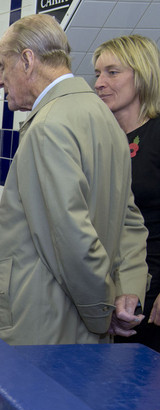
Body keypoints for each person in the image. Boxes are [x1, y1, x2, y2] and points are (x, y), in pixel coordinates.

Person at [0, 14, 149, 345]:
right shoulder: (103, 117)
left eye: (3, 66)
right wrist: (128, 289)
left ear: (28, 60)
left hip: (43, 326)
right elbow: (130, 220)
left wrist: (102, 312)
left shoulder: (48, 126)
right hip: (81, 328)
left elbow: (73, 240)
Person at [93, 35, 160, 353]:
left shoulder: (157, 134)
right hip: (109, 290)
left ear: (143, 73)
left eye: (112, 72)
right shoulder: (103, 141)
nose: (100, 83)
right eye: (97, 74)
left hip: (152, 291)